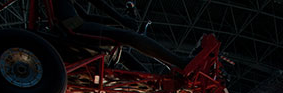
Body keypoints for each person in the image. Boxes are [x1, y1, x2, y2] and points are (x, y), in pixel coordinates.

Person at [51, 0, 191, 70]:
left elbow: (86, 16)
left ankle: (155, 80)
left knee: (124, 55)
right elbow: (97, 3)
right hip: (75, 31)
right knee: (130, 38)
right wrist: (120, 19)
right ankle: (181, 62)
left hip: (74, 29)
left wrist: (119, 22)